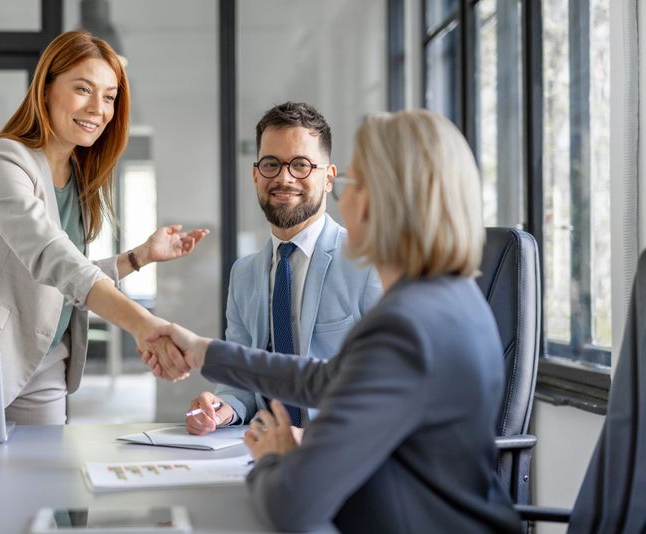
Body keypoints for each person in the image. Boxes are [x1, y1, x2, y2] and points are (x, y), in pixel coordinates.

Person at [144, 110, 522, 532]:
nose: (343, 199)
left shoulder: (406, 325)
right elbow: (328, 379)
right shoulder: (448, 299)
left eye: (351, 184)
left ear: (383, 201)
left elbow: (293, 506)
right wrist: (202, 352)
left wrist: (272, 458)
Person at [0, 31, 206, 425]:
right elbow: (51, 255)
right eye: (83, 89)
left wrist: (139, 256)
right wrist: (143, 324)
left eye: (109, 97)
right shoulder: (3, 161)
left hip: (47, 357)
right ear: (46, 88)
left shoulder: (77, 176)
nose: (98, 108)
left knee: (42, 481)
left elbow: (63, 280)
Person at [185, 102, 381, 436]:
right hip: (263, 452)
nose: (284, 178)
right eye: (271, 164)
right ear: (255, 174)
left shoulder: (368, 261)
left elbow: (384, 388)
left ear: (329, 178)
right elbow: (242, 382)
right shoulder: (243, 274)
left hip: (340, 453)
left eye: (301, 165)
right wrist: (223, 409)